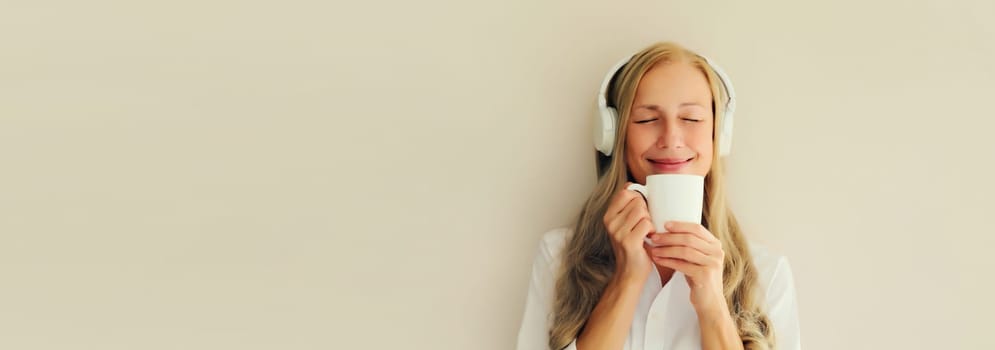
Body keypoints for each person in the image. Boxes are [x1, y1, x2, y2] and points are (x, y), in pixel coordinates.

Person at [515, 42, 801, 350]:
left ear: (719, 135)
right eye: (647, 120)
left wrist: (713, 305)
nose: (671, 139)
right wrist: (627, 278)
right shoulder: (558, 257)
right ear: (614, 136)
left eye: (691, 119)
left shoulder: (768, 275)